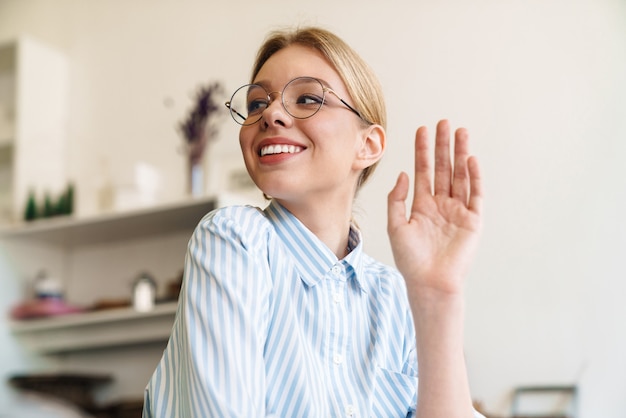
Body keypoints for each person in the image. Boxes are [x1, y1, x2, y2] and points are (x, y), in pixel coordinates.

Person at [143, 26, 484, 417]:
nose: (270, 114)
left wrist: (438, 296)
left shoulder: (395, 297)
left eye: (306, 98)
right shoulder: (235, 240)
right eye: (256, 104)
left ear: (367, 145)